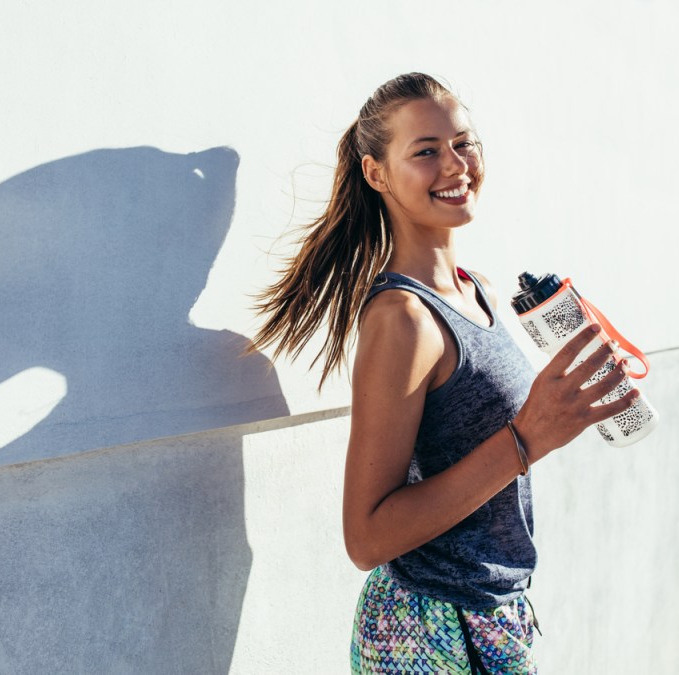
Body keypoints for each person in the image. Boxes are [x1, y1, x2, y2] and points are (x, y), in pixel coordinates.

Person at [251, 73, 638, 673]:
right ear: (376, 174)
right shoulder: (401, 318)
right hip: (425, 629)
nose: (456, 165)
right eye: (426, 151)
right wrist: (530, 436)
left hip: (492, 616)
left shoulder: (475, 289)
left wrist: (568, 407)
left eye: (464, 142)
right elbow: (367, 537)